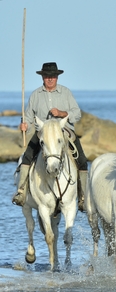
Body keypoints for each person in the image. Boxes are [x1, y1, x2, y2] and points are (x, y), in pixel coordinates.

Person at [12, 62, 88, 212]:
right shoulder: (35, 95)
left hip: (63, 131)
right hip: (42, 133)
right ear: (43, 77)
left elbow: (77, 113)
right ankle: (21, 192)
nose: (50, 79)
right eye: (47, 76)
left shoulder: (66, 93)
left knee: (82, 160)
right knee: (27, 157)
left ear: (57, 77)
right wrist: (24, 125)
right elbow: (28, 117)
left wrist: (61, 113)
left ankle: (83, 196)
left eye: (53, 76)